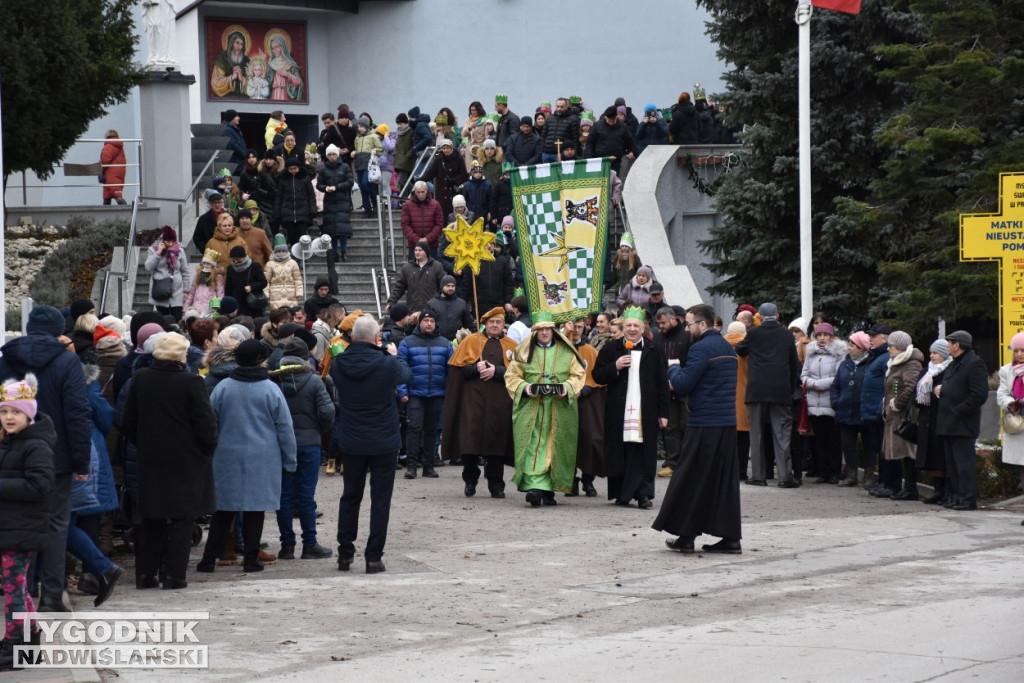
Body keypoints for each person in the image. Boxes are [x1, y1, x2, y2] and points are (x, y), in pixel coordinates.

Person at [0, 306, 91, 612]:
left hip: (10, 455)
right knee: (54, 524)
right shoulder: (67, 361)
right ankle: (52, 594)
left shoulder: (6, 360)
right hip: (57, 456)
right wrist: (81, 461)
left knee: (16, 523)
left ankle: (19, 589)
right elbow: (77, 413)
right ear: (58, 330)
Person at [120, 333, 217, 589]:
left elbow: (128, 421)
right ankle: (174, 574)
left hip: (151, 458)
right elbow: (205, 424)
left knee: (151, 516)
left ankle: (145, 574)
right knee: (183, 517)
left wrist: (146, 444)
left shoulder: (140, 379)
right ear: (181, 355)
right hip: (187, 459)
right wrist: (206, 449)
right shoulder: (192, 382)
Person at [200, 339, 297, 574]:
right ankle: (251, 560)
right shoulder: (271, 389)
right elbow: (284, 427)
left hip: (226, 455)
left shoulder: (224, 387)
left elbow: (210, 422)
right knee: (256, 510)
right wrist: (290, 459)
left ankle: (208, 559)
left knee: (223, 510)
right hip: (263, 457)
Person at [653, 303, 741, 553]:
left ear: (702, 325)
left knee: (689, 479)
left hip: (704, 424)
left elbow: (682, 385)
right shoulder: (725, 346)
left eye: (689, 323)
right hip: (726, 423)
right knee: (723, 483)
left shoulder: (701, 349)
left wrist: (673, 367)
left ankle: (687, 536)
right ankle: (731, 538)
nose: (687, 327)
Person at [332, 315, 412, 574]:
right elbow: (406, 375)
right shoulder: (387, 363)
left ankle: (345, 553)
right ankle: (373, 557)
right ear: (377, 338)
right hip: (384, 440)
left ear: (353, 337)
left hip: (352, 438)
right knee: (380, 500)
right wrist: (393, 354)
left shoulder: (338, 363)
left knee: (350, 496)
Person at [505, 312, 586, 506]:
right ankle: (535, 488)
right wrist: (527, 387)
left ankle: (549, 489)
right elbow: (511, 376)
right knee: (534, 444)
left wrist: (566, 388)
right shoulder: (524, 352)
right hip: (532, 408)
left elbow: (578, 374)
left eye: (547, 329)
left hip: (559, 408)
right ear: (534, 332)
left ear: (553, 330)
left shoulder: (566, 352)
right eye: (540, 329)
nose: (544, 332)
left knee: (556, 445)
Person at [0, 374, 53, 670]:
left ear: (28, 413)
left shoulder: (36, 445)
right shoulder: (11, 442)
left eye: (15, 411)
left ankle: (15, 645)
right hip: (11, 526)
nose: (9, 417)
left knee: (13, 589)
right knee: (17, 588)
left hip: (22, 528)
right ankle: (29, 644)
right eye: (4, 411)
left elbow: (39, 486)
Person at [592, 306, 669, 509]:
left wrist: (663, 413)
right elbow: (597, 375)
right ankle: (621, 493)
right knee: (620, 450)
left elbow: (662, 382)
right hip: (619, 409)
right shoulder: (612, 348)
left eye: (636, 325)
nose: (632, 329)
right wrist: (614, 367)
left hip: (646, 410)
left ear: (643, 328)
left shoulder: (654, 349)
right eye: (628, 326)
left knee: (643, 451)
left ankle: (643, 494)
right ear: (622, 327)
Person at [442, 307, 519, 497]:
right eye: (491, 322)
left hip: (500, 403)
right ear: (485, 324)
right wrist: (475, 367)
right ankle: (470, 479)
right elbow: (458, 373)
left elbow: (518, 373)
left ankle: (496, 484)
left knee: (497, 445)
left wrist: (497, 371)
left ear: (503, 325)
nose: (494, 325)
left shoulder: (512, 345)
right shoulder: (471, 341)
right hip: (473, 401)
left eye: (498, 322)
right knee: (470, 443)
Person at [269, 339, 334, 560]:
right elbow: (327, 412)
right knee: (306, 495)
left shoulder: (273, 381)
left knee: (284, 495)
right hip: (309, 444)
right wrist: (317, 431)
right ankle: (310, 544)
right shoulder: (314, 381)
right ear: (305, 356)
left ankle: (287, 546)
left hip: (280, 445)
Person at [736, 302, 802, 488]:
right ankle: (784, 477)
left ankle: (758, 476)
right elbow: (794, 363)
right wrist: (790, 388)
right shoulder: (786, 334)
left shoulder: (754, 333)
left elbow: (740, 350)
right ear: (777, 316)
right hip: (780, 390)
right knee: (782, 433)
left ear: (761, 317)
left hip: (757, 389)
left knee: (756, 433)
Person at [934, 330, 988, 510]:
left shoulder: (974, 364)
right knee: (953, 464)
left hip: (962, 423)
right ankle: (956, 496)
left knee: (964, 464)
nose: (947, 345)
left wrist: (958, 410)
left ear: (957, 345)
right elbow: (952, 385)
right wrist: (940, 388)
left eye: (949, 342)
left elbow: (979, 395)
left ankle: (967, 499)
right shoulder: (955, 363)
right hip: (949, 422)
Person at [397, 311, 453, 480]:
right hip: (415, 393)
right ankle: (412, 466)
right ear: (419, 323)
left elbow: (450, 371)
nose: (429, 324)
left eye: (432, 321)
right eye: (426, 321)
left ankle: (428, 465)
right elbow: (400, 368)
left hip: (437, 393)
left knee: (432, 430)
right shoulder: (407, 343)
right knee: (414, 428)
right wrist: (403, 391)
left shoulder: (445, 344)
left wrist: (449, 393)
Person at [877, 331, 924, 500]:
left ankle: (910, 488)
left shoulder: (911, 363)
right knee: (900, 452)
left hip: (904, 415)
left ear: (899, 346)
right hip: (894, 414)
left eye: (891, 345)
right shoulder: (897, 362)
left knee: (907, 452)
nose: (888, 348)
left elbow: (911, 387)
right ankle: (905, 487)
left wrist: (896, 403)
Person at [800, 323, 846, 484]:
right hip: (814, 403)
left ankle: (835, 472)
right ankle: (823, 471)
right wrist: (810, 383)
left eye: (825, 335)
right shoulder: (811, 353)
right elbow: (804, 374)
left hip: (830, 402)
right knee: (819, 441)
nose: (822, 338)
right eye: (819, 335)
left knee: (833, 440)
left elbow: (838, 377)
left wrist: (817, 384)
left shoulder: (838, 354)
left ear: (831, 337)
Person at [566, 317, 605, 497]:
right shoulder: (561, 349)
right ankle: (571, 481)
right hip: (565, 399)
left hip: (587, 400)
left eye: (580, 327)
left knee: (590, 439)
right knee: (569, 441)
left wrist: (588, 387)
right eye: (574, 326)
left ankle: (588, 480)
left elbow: (597, 375)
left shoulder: (590, 351)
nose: (577, 330)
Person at [653, 307, 691, 477]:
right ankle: (671, 462)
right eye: (659, 323)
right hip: (664, 388)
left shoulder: (687, 337)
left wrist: (679, 381)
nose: (660, 326)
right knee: (669, 427)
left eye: (663, 323)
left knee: (686, 425)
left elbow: (692, 362)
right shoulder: (658, 338)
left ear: (673, 320)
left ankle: (688, 462)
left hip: (684, 388)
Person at [830, 332, 872, 487]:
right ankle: (851, 475)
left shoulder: (870, 363)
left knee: (869, 446)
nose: (849, 348)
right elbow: (835, 386)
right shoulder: (845, 363)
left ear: (862, 347)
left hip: (864, 412)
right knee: (848, 446)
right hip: (845, 411)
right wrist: (836, 402)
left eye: (853, 345)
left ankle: (869, 476)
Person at [917, 339, 953, 504]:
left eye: (936, 353)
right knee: (933, 457)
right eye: (931, 352)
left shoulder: (949, 370)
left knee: (943, 456)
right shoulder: (926, 371)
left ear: (945, 355)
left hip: (942, 418)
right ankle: (938, 491)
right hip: (927, 419)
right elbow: (916, 393)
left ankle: (948, 492)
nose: (932, 356)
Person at [316, 144, 355, 271]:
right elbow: (319, 185)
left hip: (342, 201)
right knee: (331, 230)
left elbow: (350, 182)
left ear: (337, 155)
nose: (332, 157)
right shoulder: (323, 169)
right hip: (330, 202)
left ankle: (344, 251)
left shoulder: (345, 167)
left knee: (342, 229)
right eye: (330, 155)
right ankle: (334, 253)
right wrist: (325, 188)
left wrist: (337, 187)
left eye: (334, 154)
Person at [387, 241, 446, 315]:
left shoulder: (437, 266)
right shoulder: (407, 267)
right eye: (415, 250)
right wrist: (391, 302)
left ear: (426, 252)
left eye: (420, 250)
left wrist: (440, 302)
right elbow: (399, 287)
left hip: (431, 310)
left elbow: (443, 286)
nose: (417, 252)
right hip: (413, 309)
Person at [419, 138, 468, 221]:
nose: (446, 150)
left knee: (454, 216)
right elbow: (431, 172)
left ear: (451, 148)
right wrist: (421, 180)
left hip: (453, 191)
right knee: (442, 216)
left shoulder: (458, 158)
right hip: (441, 191)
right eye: (444, 148)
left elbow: (464, 175)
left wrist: (454, 180)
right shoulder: (439, 160)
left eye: (448, 148)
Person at [274, 158, 317, 245]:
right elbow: (279, 196)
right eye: (291, 169)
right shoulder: (283, 179)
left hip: (303, 211)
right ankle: (295, 256)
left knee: (302, 236)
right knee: (292, 236)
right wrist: (277, 211)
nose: (293, 171)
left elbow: (311, 195)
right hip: (288, 212)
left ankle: (303, 257)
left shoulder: (305, 178)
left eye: (295, 168)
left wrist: (313, 209)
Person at [400, 182, 445, 259]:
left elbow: (439, 224)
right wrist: (417, 240)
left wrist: (427, 239)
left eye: (423, 192)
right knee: (413, 270)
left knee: (432, 270)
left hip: (431, 245)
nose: (421, 194)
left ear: (427, 191)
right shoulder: (407, 205)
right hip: (414, 245)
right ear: (414, 192)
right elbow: (405, 225)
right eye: (418, 192)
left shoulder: (435, 204)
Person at [588, 106, 637, 174]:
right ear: (606, 117)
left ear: (616, 117)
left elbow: (630, 141)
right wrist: (590, 158)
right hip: (600, 160)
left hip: (616, 161)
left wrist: (633, 151)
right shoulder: (597, 126)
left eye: (612, 121)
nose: (611, 122)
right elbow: (590, 143)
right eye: (609, 121)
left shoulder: (623, 127)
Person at [425, 275, 474, 342]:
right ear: (442, 287)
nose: (450, 288)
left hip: (457, 343)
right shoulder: (431, 304)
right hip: (437, 342)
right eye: (448, 286)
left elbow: (469, 324)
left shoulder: (461, 303)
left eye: (453, 286)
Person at [224, 245, 268, 318]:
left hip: (252, 302)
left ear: (244, 257)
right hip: (237, 304)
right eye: (233, 259)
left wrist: (252, 287)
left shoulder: (254, 266)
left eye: (238, 259)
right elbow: (228, 287)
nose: (235, 261)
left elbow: (263, 282)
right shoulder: (230, 269)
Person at [353, 117, 383, 215]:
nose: (359, 128)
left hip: (369, 164)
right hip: (359, 164)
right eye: (358, 127)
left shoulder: (373, 136)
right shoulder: (357, 138)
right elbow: (357, 149)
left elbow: (380, 149)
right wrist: (354, 152)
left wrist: (375, 150)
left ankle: (376, 201)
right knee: (362, 187)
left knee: (366, 184)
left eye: (361, 126)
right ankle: (367, 210)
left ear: (366, 126)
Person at [264, 236, 303, 311]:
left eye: (283, 251)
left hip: (290, 293)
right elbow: (266, 281)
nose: (281, 253)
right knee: (277, 315)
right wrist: (266, 294)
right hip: (275, 294)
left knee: (290, 314)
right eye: (279, 251)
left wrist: (299, 292)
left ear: (286, 251)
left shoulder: (293, 263)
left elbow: (297, 279)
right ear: (275, 252)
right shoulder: (270, 264)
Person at [211, 30, 249, 98]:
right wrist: (232, 77)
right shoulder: (222, 58)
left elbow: (254, 84)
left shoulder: (247, 61)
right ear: (231, 43)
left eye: (241, 44)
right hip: (226, 97)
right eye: (237, 43)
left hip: (244, 98)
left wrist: (242, 78)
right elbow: (215, 83)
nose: (239, 47)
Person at [267, 32, 304, 101]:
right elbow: (267, 82)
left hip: (286, 94)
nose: (274, 50)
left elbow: (299, 82)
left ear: (282, 47)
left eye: (277, 47)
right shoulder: (271, 64)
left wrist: (287, 74)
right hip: (274, 93)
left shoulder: (290, 64)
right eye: (272, 48)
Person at [542, 98, 580, 163]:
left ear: (566, 107)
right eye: (558, 106)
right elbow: (543, 135)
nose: (559, 108)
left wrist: (573, 154)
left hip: (562, 154)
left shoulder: (572, 119)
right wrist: (542, 150)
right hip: (546, 153)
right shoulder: (550, 118)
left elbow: (575, 139)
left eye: (562, 107)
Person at [100, 130, 127, 205]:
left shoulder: (108, 146)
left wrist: (99, 169)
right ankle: (106, 215)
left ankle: (128, 212)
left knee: (116, 195)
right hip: (119, 174)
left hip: (110, 174)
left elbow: (105, 161)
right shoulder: (120, 148)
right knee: (109, 196)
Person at [222, 109, 248, 175]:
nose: (238, 118)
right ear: (231, 118)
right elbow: (234, 146)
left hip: (238, 163)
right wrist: (246, 156)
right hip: (235, 164)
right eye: (236, 116)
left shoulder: (233, 130)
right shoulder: (227, 131)